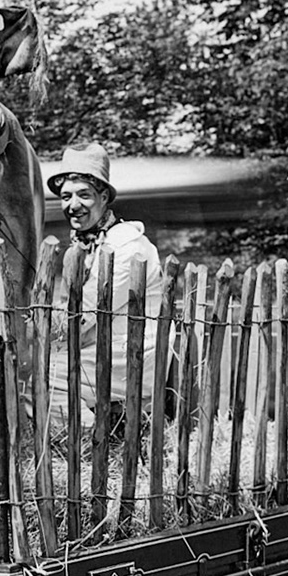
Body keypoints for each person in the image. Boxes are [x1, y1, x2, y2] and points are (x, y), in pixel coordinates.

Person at [44, 144, 163, 436]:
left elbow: (84, 317)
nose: (73, 205)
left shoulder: (124, 246)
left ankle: (87, 442)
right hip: (102, 346)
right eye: (66, 196)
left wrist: (41, 337)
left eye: (84, 194)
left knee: (40, 373)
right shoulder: (86, 245)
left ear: (104, 197)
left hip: (133, 351)